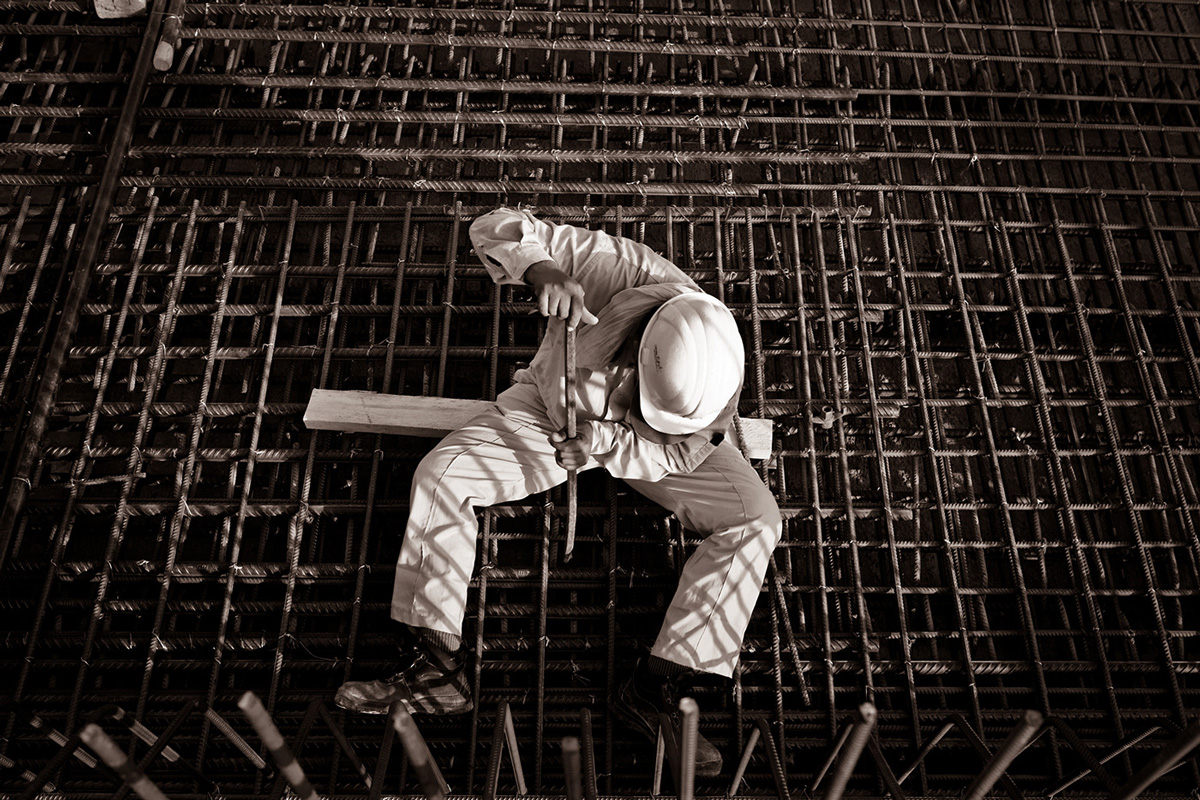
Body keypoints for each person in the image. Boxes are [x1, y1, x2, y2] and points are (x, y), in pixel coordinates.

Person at [335, 208, 783, 775]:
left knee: (756, 518)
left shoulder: (715, 371)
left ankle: (657, 685)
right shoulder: (621, 270)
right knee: (441, 475)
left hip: (640, 445)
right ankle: (435, 667)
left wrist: (604, 444)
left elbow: (679, 452)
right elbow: (494, 225)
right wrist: (539, 268)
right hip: (548, 413)